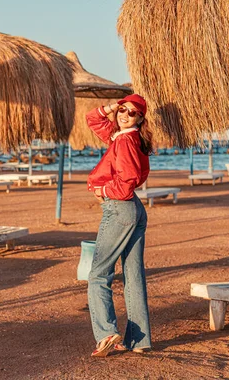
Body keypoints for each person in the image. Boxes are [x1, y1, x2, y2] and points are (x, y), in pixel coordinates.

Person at [85, 93, 153, 357]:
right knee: (133, 276)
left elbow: (128, 180)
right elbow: (93, 119)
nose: (125, 114)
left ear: (141, 118)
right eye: (123, 109)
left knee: (99, 274)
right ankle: (139, 340)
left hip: (121, 209)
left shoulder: (124, 141)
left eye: (132, 112)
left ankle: (105, 333)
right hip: (133, 210)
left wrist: (103, 190)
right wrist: (113, 106)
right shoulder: (126, 137)